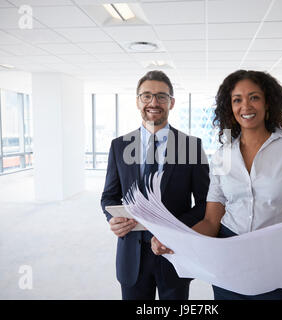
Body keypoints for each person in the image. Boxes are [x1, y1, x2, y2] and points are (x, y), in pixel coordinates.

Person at [151, 69, 282, 300]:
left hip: (280, 259)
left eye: (254, 97)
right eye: (237, 100)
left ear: (268, 103)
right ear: (230, 108)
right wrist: (175, 240)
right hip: (229, 261)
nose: (245, 106)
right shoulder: (222, 156)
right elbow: (211, 221)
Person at [101, 70, 210, 300]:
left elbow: (204, 203)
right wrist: (113, 219)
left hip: (174, 251)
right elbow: (109, 196)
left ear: (171, 102)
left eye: (161, 96)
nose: (154, 102)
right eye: (146, 96)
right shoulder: (119, 146)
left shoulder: (191, 146)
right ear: (138, 101)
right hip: (132, 252)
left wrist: (173, 230)